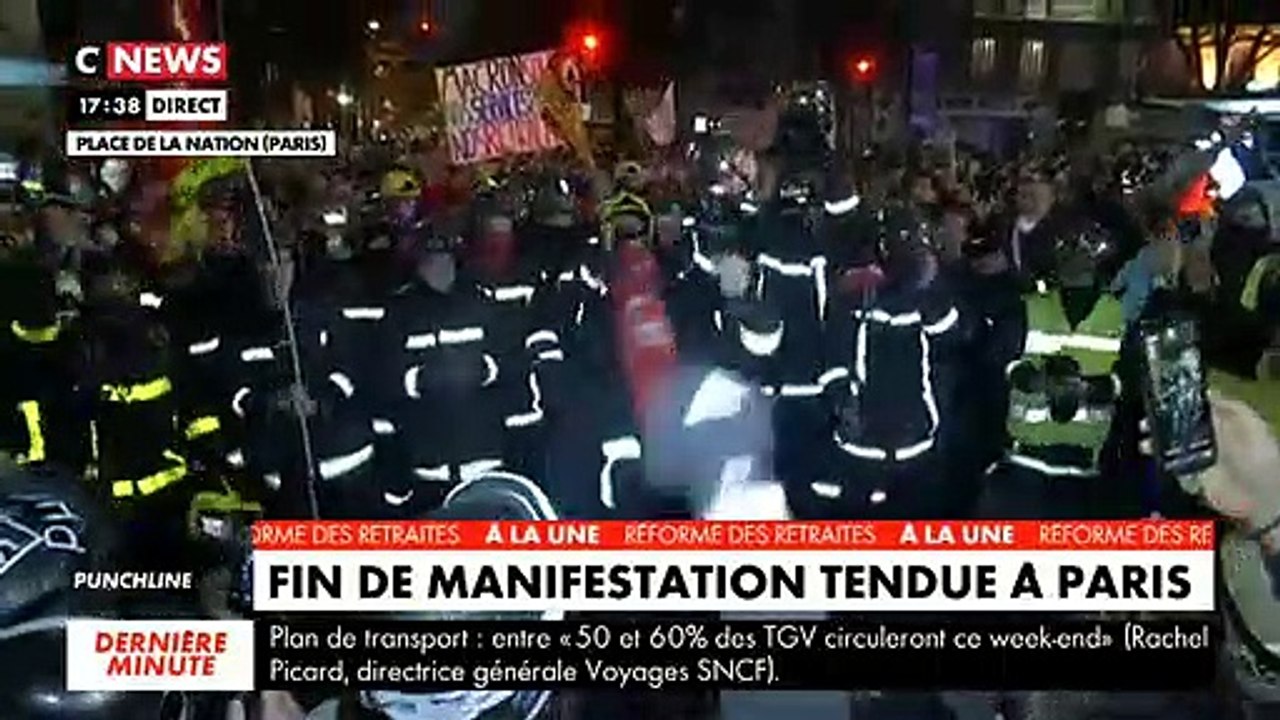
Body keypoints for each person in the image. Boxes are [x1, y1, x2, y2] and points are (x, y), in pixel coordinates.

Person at [977, 223, 1130, 519]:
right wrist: (1032, 379)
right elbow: (996, 364)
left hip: (1086, 471)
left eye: (1082, 250)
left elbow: (1131, 381)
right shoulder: (1027, 307)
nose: (1073, 259)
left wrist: (1093, 389)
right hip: (1025, 464)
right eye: (1067, 251)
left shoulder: (1119, 315)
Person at [378, 231, 509, 515]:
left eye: (445, 258)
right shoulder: (401, 310)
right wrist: (429, 378)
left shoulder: (479, 302)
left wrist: (478, 371)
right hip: (428, 460)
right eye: (432, 260)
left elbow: (508, 358)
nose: (440, 266)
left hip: (482, 454)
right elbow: (387, 374)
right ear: (419, 265)